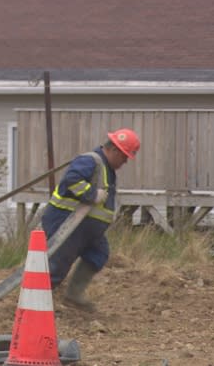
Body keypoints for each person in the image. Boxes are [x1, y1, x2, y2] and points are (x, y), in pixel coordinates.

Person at [41, 128, 140, 312]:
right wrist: (92, 194)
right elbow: (71, 181)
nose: (125, 161)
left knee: (98, 255)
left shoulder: (107, 168)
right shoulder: (91, 161)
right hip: (68, 223)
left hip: (87, 229)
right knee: (58, 265)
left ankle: (73, 295)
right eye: (124, 156)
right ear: (114, 150)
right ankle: (35, 303)